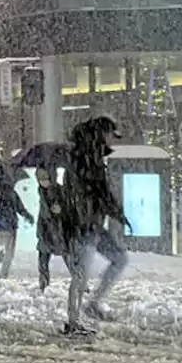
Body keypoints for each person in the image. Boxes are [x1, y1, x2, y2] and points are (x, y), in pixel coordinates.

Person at [60, 115, 130, 335]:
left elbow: (99, 192)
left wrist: (113, 211)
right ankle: (73, 321)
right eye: (111, 135)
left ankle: (93, 304)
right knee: (81, 274)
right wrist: (115, 210)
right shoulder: (87, 158)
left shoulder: (92, 157)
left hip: (93, 223)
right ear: (102, 133)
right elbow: (98, 192)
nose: (112, 140)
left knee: (119, 258)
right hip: (83, 224)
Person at [0, 174, 34, 279]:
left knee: (8, 251)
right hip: (7, 225)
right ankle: (3, 275)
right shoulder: (10, 193)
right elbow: (20, 208)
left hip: (3, 225)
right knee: (9, 252)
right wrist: (27, 216)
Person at [34, 166, 68, 293]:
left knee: (68, 257)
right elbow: (43, 212)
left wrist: (60, 209)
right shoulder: (41, 191)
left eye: (46, 179)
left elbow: (68, 205)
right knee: (43, 259)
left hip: (57, 229)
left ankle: (80, 281)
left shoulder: (57, 190)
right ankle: (43, 284)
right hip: (45, 229)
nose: (44, 182)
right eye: (41, 180)